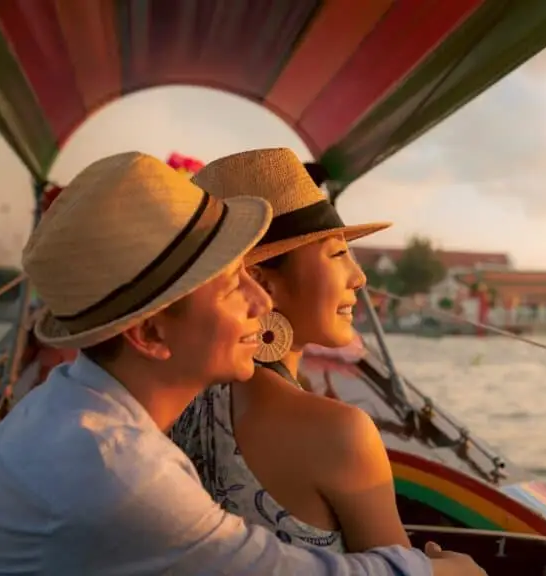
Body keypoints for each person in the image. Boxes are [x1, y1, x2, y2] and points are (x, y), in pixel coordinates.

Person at [0, 151, 483, 575]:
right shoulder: (123, 474)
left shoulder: (57, 406)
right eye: (233, 282)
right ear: (149, 333)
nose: (258, 298)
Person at [171, 148, 409, 554]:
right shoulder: (341, 433)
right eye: (337, 254)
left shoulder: (178, 400)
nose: (359, 276)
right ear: (263, 283)